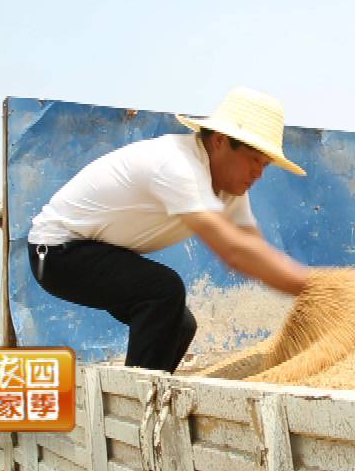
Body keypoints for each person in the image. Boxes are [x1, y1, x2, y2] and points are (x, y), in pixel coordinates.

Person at [27, 87, 310, 373]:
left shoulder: (231, 190)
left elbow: (255, 250)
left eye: (265, 165)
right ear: (221, 142)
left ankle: (155, 397)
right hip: (56, 252)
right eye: (253, 160)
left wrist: (305, 292)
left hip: (97, 249)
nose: (258, 174)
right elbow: (234, 251)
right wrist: (316, 288)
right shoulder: (177, 165)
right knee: (164, 290)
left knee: (181, 325)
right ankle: (139, 400)